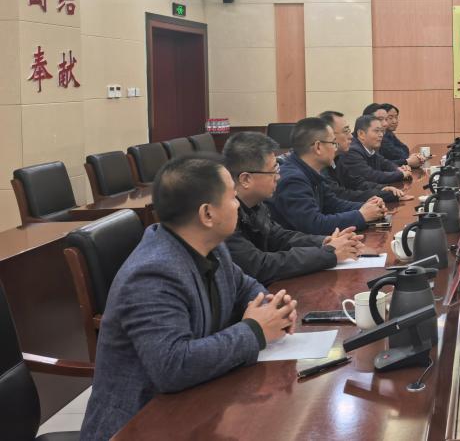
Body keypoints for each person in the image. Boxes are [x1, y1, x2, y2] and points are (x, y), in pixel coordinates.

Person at [80, 156, 297, 441]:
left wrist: (273, 307)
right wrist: (255, 330)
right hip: (139, 425)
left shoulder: (212, 247)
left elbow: (245, 287)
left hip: (196, 404)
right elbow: (173, 366)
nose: (237, 204)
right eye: (232, 197)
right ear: (207, 214)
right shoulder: (153, 273)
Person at [223, 131, 365, 285]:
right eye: (273, 171)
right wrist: (328, 253)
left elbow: (280, 237)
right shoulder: (222, 216)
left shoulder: (255, 204)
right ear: (245, 179)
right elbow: (260, 266)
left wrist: (326, 241)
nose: (278, 177)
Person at [269, 117, 387, 235]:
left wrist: (368, 207)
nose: (335, 149)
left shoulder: (312, 171)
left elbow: (333, 204)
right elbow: (314, 224)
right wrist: (361, 215)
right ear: (318, 147)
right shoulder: (293, 179)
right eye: (333, 143)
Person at [319, 110, 406, 204]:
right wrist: (385, 195)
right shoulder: (321, 165)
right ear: (329, 135)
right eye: (346, 131)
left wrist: (383, 188)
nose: (351, 136)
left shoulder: (336, 158)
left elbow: (355, 182)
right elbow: (341, 195)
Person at [342, 114, 411, 187]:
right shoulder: (352, 151)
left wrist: (398, 169)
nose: (381, 135)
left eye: (382, 131)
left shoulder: (369, 148)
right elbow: (371, 176)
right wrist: (400, 174)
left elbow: (385, 163)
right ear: (361, 134)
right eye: (377, 131)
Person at [377, 103, 425, 168]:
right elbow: (396, 156)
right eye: (390, 118)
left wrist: (412, 158)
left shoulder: (389, 133)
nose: (395, 121)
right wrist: (408, 160)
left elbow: (404, 149)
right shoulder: (380, 137)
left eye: (396, 117)